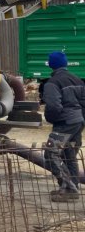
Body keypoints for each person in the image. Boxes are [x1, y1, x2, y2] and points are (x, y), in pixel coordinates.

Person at [42, 51, 85, 201]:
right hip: (78, 123)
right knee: (69, 154)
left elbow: (53, 107)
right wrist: (80, 121)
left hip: (65, 123)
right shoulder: (78, 80)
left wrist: (53, 120)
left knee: (50, 152)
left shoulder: (53, 83)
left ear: (51, 65)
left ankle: (68, 188)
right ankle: (72, 186)